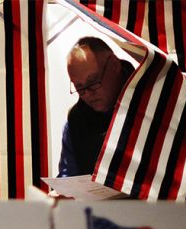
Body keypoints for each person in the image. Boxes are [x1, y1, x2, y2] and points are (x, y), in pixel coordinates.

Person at [57, 36, 134, 177]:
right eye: (79, 87)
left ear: (115, 65)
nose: (87, 94)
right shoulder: (75, 121)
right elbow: (67, 175)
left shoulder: (150, 100)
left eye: (92, 82)